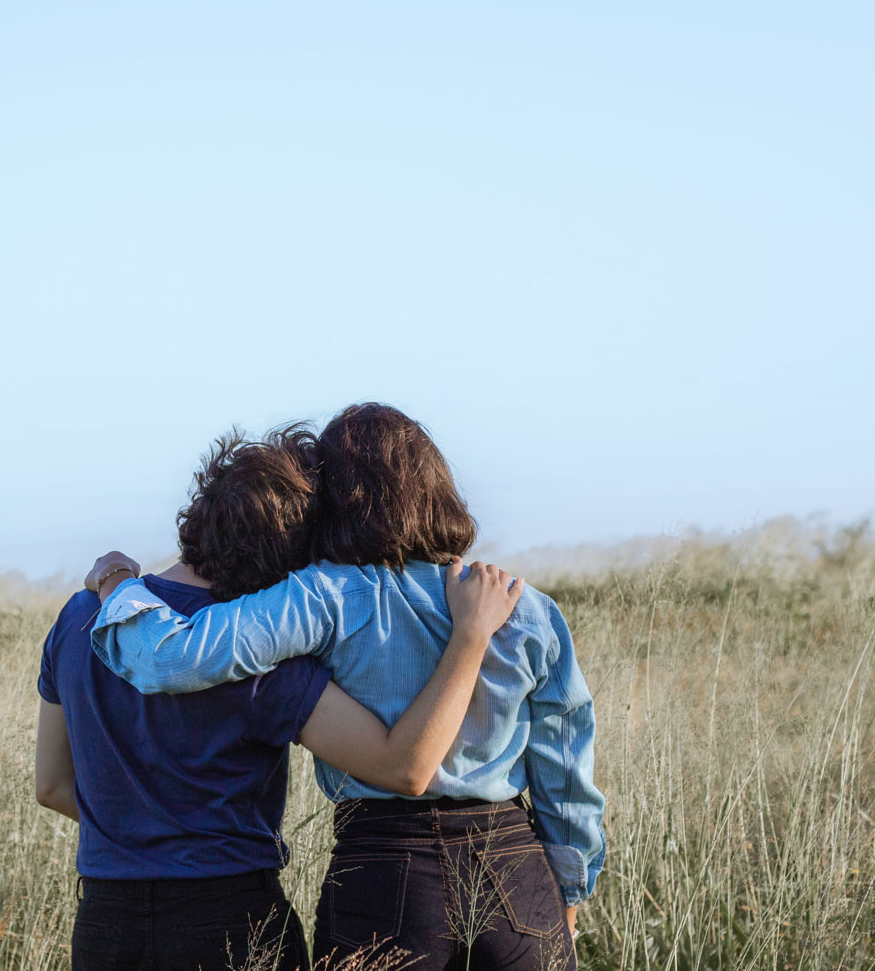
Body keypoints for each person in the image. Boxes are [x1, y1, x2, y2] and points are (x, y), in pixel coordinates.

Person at [86, 404, 604, 970]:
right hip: (518, 873)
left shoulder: (324, 595)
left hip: (385, 870)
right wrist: (567, 897)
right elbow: (566, 775)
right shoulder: (525, 608)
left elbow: (171, 658)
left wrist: (118, 582)